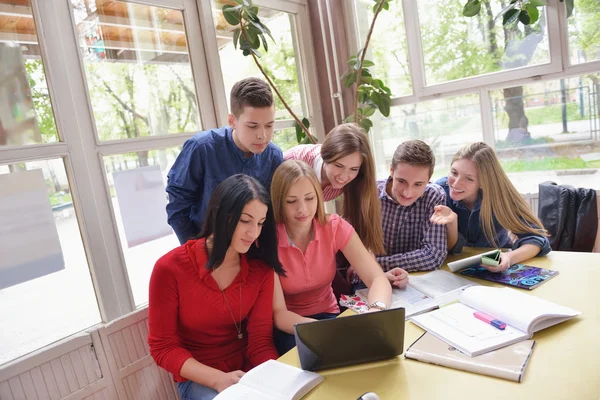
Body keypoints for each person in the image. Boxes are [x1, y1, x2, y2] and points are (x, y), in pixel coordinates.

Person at [149, 175, 285, 400]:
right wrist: (218, 379)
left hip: (248, 372)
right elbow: (163, 348)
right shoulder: (169, 268)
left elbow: (260, 342)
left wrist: (277, 380)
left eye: (260, 223)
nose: (254, 233)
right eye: (245, 221)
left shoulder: (261, 269)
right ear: (221, 214)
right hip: (201, 378)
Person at [269, 160, 398, 355]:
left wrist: (376, 312)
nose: (302, 209)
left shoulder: (334, 226)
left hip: (330, 315)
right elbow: (279, 314)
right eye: (291, 201)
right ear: (278, 202)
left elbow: (377, 278)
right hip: (291, 326)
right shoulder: (268, 239)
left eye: (310, 198)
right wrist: (324, 330)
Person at [166, 78, 283, 244]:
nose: (262, 135)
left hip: (253, 250)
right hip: (205, 248)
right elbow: (177, 208)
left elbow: (271, 214)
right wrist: (195, 252)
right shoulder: (201, 148)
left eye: (269, 125)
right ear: (232, 121)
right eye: (252, 126)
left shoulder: (274, 157)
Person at [432, 142, 551, 272]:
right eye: (454, 173)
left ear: (483, 182)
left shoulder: (500, 196)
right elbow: (445, 248)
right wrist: (451, 224)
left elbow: (537, 239)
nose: (456, 183)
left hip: (494, 264)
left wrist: (508, 257)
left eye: (469, 179)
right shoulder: (439, 192)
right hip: (452, 268)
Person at [283, 123, 385, 255]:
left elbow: (360, 219)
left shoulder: (353, 179)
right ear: (326, 156)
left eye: (353, 169)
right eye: (338, 165)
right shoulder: (295, 162)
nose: (344, 176)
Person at [363, 140, 447, 280]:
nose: (408, 193)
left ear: (429, 179)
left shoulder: (434, 196)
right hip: (370, 278)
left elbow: (433, 255)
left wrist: (375, 263)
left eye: (418, 184)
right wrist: (367, 266)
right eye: (402, 181)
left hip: (415, 280)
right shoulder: (369, 194)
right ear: (391, 170)